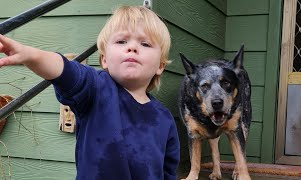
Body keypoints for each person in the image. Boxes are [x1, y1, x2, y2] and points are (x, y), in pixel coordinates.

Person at [0, 6, 180, 180]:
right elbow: (66, 72)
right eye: (121, 41)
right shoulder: (96, 88)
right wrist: (32, 55)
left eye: (145, 43)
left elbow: (168, 170)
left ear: (160, 66)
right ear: (104, 59)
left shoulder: (164, 118)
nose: (132, 47)